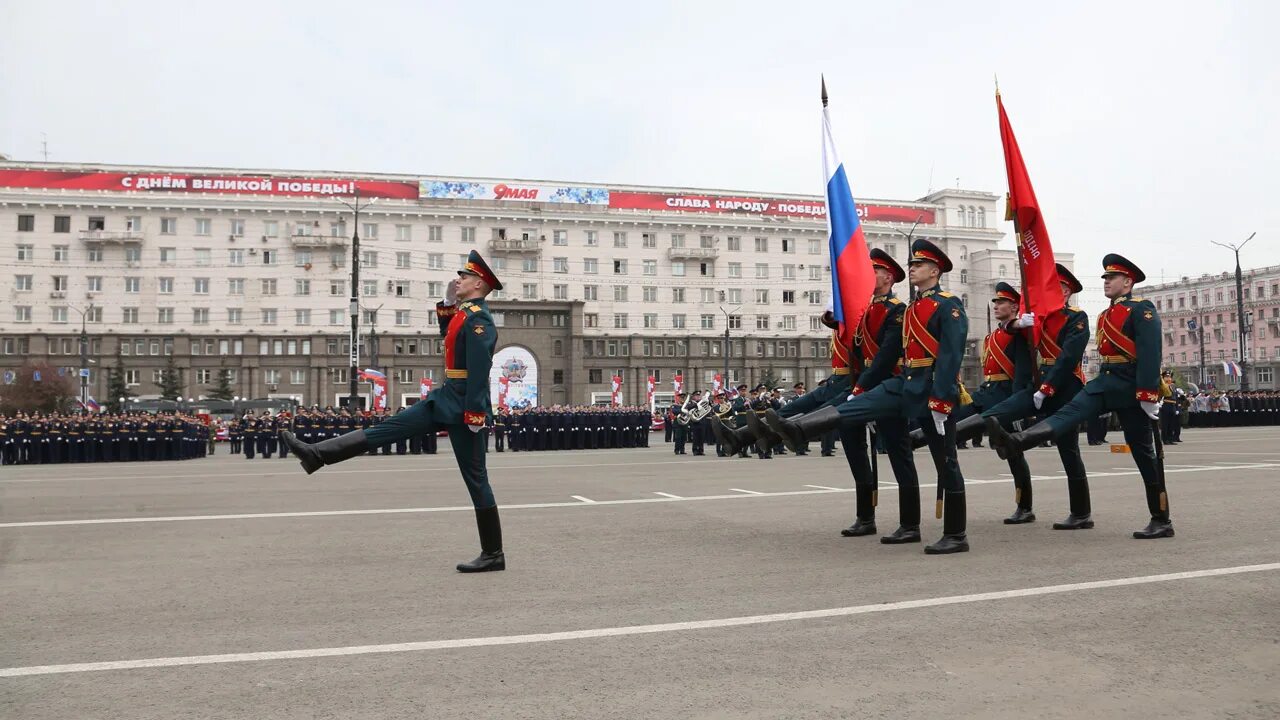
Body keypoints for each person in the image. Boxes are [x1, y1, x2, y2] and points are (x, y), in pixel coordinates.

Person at [282, 249, 508, 572]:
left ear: (478, 284)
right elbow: (449, 338)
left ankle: (493, 553)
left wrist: (475, 415)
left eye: (465, 276)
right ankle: (316, 454)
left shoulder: (480, 320)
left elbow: (479, 368)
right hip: (445, 400)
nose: (458, 280)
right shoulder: (465, 314)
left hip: (463, 409)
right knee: (384, 431)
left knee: (476, 480)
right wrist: (446, 306)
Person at [765, 240, 968, 554]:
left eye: (918, 265)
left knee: (946, 463)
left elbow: (951, 356)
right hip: (907, 384)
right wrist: (837, 320)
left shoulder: (948, 305)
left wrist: (942, 400)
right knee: (857, 405)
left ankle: (956, 535)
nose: (913, 269)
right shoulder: (914, 308)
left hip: (932, 389)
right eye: (911, 265)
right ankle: (800, 429)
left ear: (934, 270)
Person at [987, 253, 1174, 539]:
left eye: (1111, 278)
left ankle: (1161, 518)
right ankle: (1018, 441)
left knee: (1143, 453)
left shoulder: (1142, 309)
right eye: (1106, 278)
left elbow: (1150, 352)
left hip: (1131, 386)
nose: (1106, 282)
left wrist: (1148, 393)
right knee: (1069, 412)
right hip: (1106, 381)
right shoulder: (1106, 314)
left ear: (1128, 281)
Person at [978, 265, 1092, 528]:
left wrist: (1048, 387)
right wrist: (1019, 321)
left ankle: (1081, 512)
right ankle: (1004, 441)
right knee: (995, 419)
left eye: (1054, 288)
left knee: (1068, 450)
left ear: (1065, 292)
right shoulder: (1039, 318)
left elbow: (1067, 359)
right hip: (1036, 386)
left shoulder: (1076, 317)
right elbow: (1010, 330)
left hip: (1065, 387)